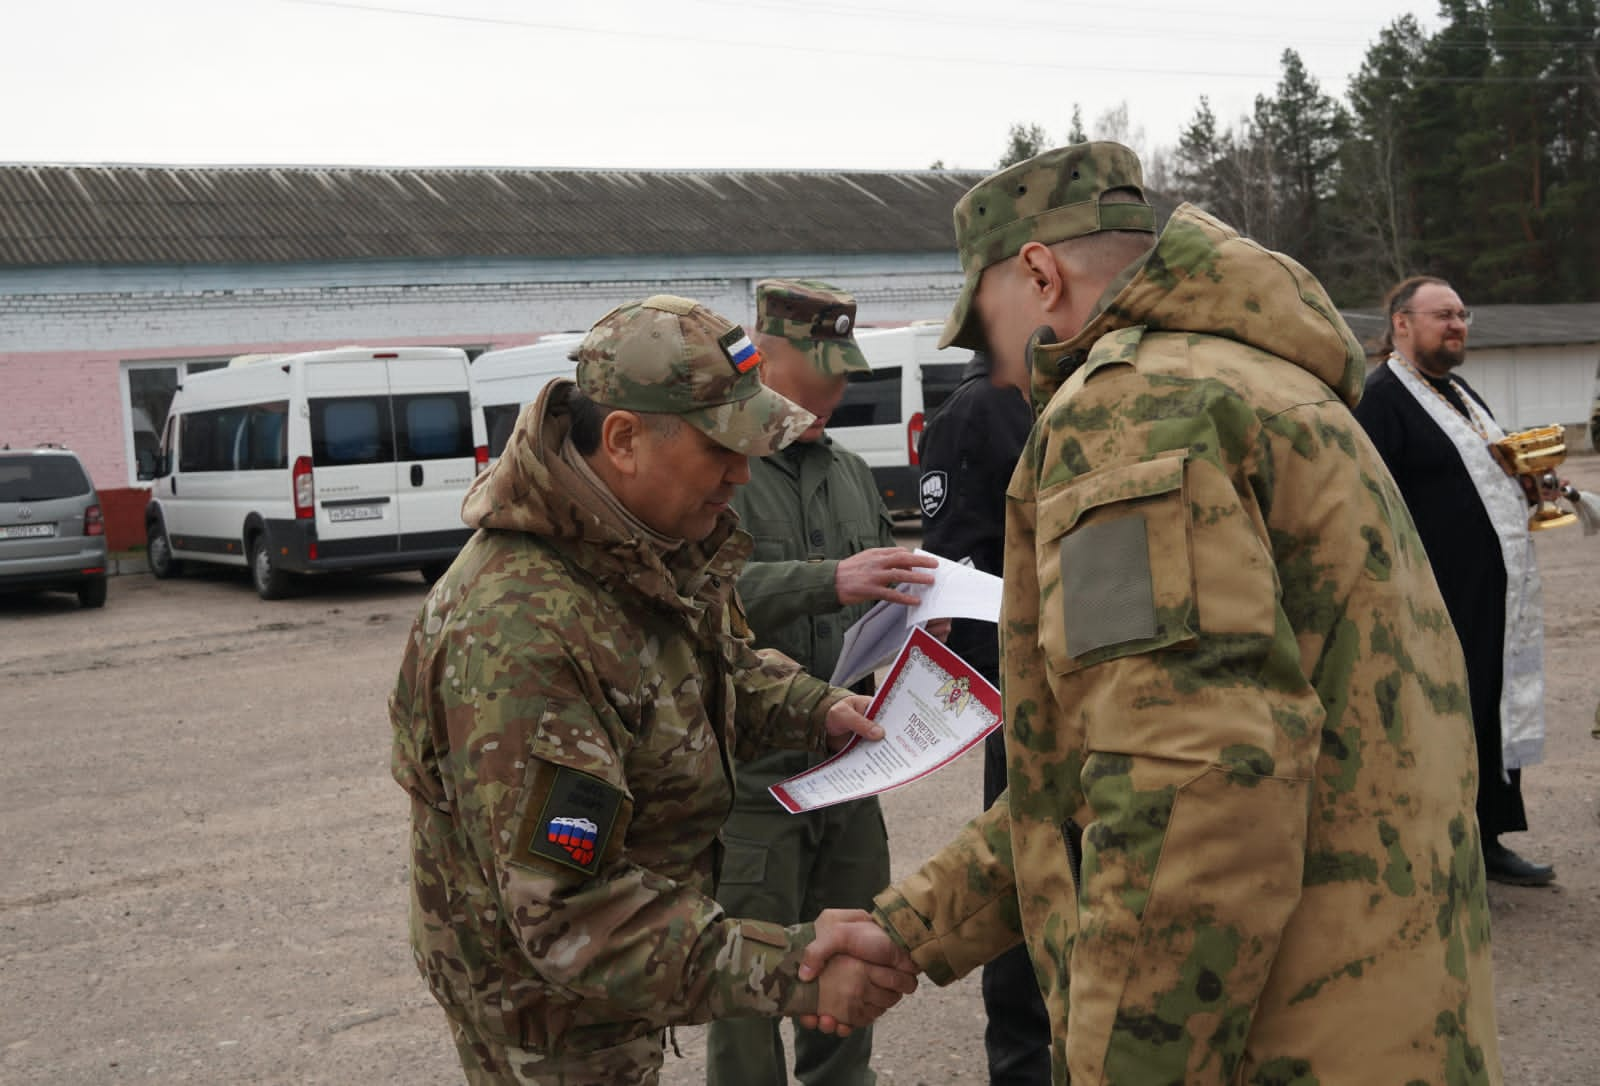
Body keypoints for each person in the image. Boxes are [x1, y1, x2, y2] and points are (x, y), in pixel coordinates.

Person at [802, 143, 1503, 1083]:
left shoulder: (1132, 412)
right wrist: (911, 927)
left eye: (987, 327)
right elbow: (1090, 778)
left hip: (1282, 1039)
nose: (999, 369)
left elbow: (1189, 786)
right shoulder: (1267, 383)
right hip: (1381, 1011)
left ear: (1041, 275)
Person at [389, 294, 918, 1086]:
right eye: (720, 451)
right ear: (624, 439)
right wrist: (792, 963)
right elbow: (572, 910)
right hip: (551, 1023)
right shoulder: (521, 633)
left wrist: (817, 705)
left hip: (620, 992)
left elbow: (720, 665)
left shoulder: (645, 547)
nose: (742, 475)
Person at [706, 279, 939, 1086]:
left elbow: (879, 591)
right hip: (753, 784)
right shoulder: (722, 468)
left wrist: (922, 617)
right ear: (764, 357)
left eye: (845, 372)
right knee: (747, 1000)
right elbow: (695, 598)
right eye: (822, 372)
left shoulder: (847, 470)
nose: (839, 389)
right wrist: (826, 579)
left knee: (854, 981)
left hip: (849, 773)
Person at [1353, 275, 1554, 886]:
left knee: (1488, 710)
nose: (1457, 325)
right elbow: (1367, 500)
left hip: (1490, 592)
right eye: (1443, 315)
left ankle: (1486, 838)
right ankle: (1441, 854)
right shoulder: (1381, 397)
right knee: (1440, 722)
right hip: (1431, 598)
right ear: (1402, 323)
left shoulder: (1459, 391)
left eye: (1463, 314)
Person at [916, 351, 1048, 1086]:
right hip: (1020, 679)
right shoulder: (981, 408)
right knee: (1023, 871)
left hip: (1089, 677)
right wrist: (980, 681)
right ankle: (1022, 1064)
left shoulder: (1071, 392)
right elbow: (948, 554)